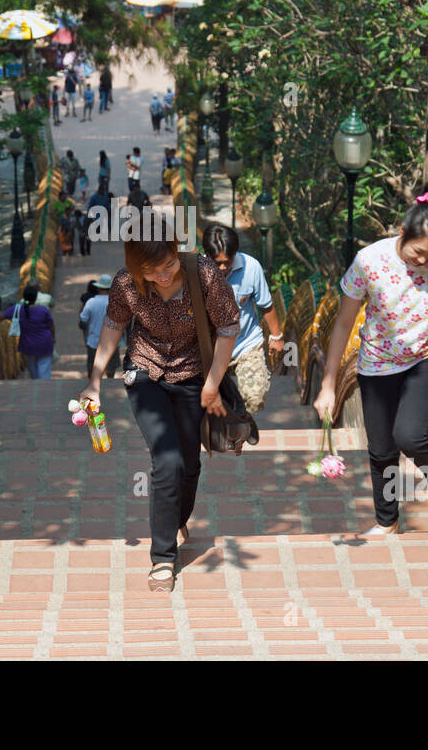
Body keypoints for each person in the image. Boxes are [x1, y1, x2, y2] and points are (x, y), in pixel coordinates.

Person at [79, 215, 240, 592]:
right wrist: (94, 380)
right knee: (166, 460)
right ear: (136, 267)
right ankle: (163, 558)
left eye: (168, 264)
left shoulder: (202, 272)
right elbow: (114, 325)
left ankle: (176, 518)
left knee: (188, 463)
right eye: (151, 271)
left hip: (194, 373)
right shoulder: (125, 283)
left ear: (176, 250)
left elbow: (229, 327)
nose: (163, 276)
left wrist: (213, 385)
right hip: (145, 371)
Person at [312, 180, 428, 537]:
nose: (422, 262)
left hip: (425, 358)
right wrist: (328, 384)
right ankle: (387, 521)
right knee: (381, 449)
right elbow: (342, 324)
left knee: (410, 436)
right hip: (375, 364)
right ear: (401, 232)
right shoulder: (369, 261)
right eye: (416, 252)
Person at [202, 224, 283, 414]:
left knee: (254, 398)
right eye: (217, 262)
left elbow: (266, 305)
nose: (222, 267)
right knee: (206, 403)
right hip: (209, 352)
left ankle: (240, 425)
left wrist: (277, 336)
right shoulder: (195, 272)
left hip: (246, 344)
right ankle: (228, 428)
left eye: (227, 262)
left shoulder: (251, 267)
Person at [0, 284, 57, 379]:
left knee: (32, 368)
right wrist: (53, 338)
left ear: (24, 297)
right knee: (44, 369)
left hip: (28, 345)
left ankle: (36, 385)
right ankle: (44, 387)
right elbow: (51, 326)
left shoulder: (17, 309)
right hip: (45, 343)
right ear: (35, 297)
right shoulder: (43, 310)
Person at [79, 274, 119, 379]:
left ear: (98, 287)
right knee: (111, 367)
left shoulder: (91, 302)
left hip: (93, 340)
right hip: (112, 341)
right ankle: (109, 383)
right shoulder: (116, 303)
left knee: (92, 365)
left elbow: (83, 320)